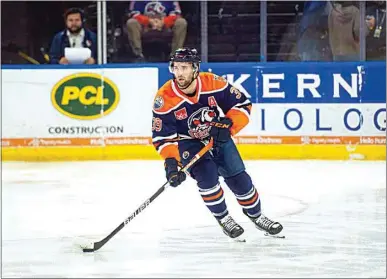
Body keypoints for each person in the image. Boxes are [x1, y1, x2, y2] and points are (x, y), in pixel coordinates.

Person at [151, 48, 283, 240]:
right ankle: (224, 219)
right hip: (188, 143)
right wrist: (171, 163)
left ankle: (256, 215)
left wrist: (228, 125)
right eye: (176, 68)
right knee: (208, 178)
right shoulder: (164, 99)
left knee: (240, 181)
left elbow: (242, 104)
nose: (179, 73)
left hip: (218, 136)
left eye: (185, 68)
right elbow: (162, 136)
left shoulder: (213, 82)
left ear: (195, 68)